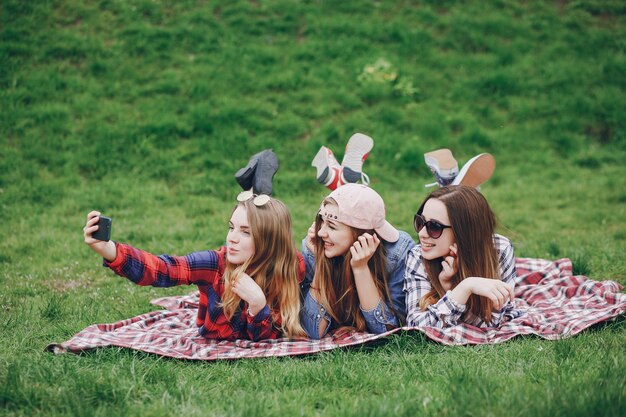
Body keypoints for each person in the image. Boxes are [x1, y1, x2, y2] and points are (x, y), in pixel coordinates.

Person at [82, 192, 307, 341]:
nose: (232, 238)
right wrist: (108, 249)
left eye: (246, 231)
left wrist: (257, 304)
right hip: (213, 331)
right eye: (231, 228)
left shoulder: (290, 267)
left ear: (270, 240)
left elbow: (262, 339)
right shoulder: (214, 264)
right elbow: (163, 269)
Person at [300, 183, 415, 339]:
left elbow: (387, 332)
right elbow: (311, 331)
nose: (321, 233)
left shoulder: (397, 252)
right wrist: (320, 262)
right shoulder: (314, 245)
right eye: (322, 222)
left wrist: (361, 269)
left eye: (332, 227)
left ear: (361, 233)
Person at [404, 185, 523, 328]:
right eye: (420, 222)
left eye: (434, 227)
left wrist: (458, 287)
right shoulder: (418, 257)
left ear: (464, 231)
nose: (422, 233)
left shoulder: (499, 250)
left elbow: (490, 323)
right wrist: (462, 288)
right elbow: (416, 326)